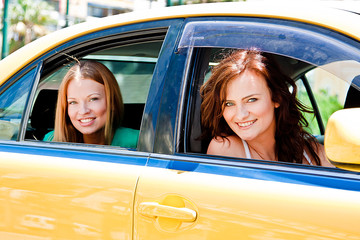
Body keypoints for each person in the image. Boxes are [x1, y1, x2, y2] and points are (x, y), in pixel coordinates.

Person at [200, 49, 333, 167]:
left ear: (276, 98)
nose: (240, 115)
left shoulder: (308, 151)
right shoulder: (225, 149)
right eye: (229, 103)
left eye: (251, 100)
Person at [43, 60, 139, 148]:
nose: (83, 111)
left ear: (112, 102)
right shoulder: (52, 140)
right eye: (73, 102)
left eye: (93, 99)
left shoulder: (139, 141)